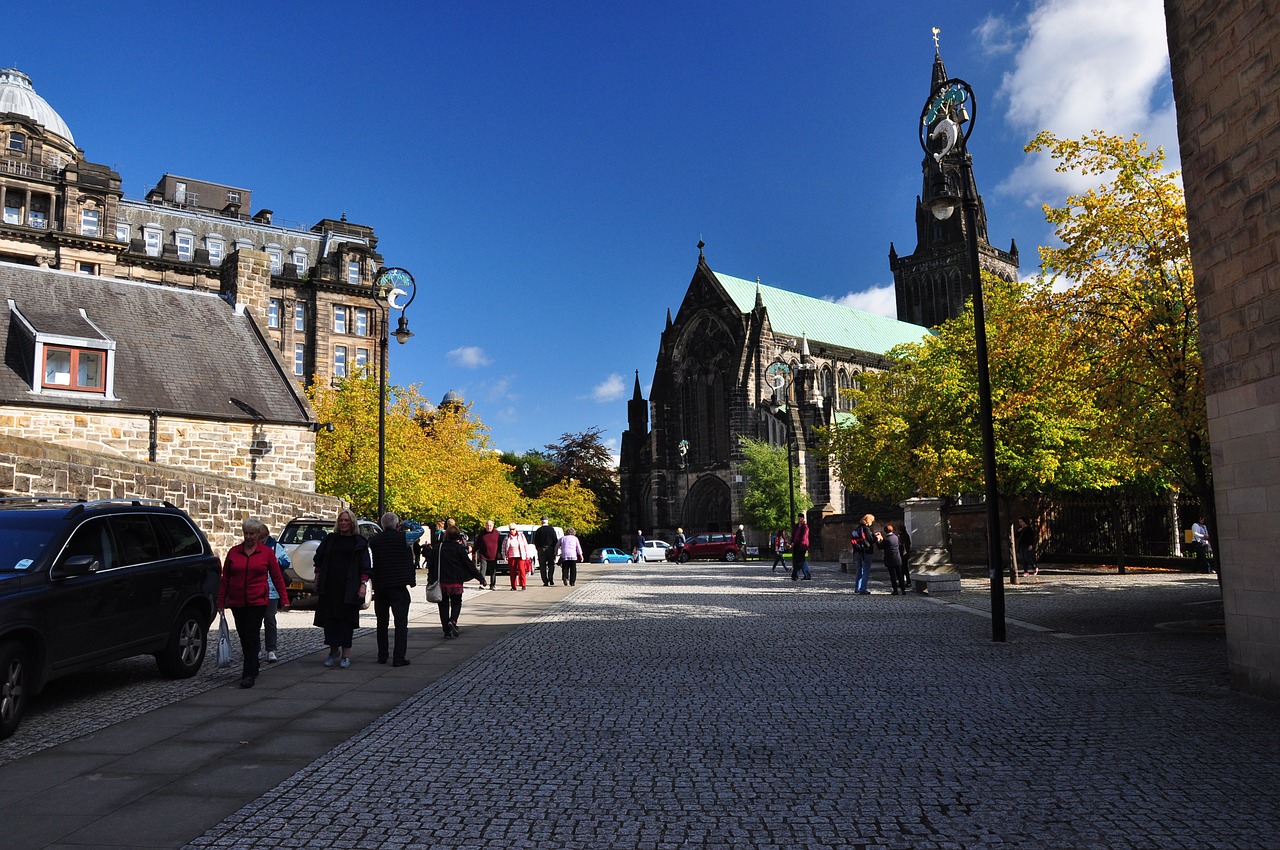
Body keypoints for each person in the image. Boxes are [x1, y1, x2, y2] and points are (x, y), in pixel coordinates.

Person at [218, 517, 290, 688]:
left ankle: (248, 673)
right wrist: (221, 601)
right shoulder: (234, 552)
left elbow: (277, 577)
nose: (248, 537)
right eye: (246, 533)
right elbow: (226, 578)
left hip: (258, 600)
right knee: (244, 635)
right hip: (237, 601)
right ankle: (253, 664)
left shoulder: (266, 553)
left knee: (251, 633)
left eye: (251, 534)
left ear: (258, 535)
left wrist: (284, 599)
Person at [312, 508, 371, 668]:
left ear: (352, 523)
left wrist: (363, 584)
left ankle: (346, 654)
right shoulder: (330, 539)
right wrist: (317, 577)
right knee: (330, 621)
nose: (343, 523)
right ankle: (333, 651)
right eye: (341, 521)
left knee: (346, 622)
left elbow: (365, 566)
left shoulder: (359, 541)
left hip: (349, 587)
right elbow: (319, 559)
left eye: (346, 521)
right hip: (330, 586)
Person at [368, 512, 416, 666]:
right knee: (401, 624)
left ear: (382, 525)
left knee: (382, 623)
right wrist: (407, 523)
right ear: (397, 525)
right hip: (399, 586)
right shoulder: (404, 538)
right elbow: (419, 530)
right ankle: (398, 657)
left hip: (381, 586)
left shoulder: (374, 540)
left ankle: (382, 655)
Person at [428, 525, 488, 638]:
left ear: (446, 535)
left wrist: (430, 579)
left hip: (441, 581)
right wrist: (480, 578)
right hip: (455, 581)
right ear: (457, 536)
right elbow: (469, 565)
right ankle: (453, 621)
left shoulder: (438, 547)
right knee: (456, 603)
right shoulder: (459, 549)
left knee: (443, 605)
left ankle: (446, 630)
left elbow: (431, 564)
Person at [261, 524, 290, 664]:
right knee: (253, 622)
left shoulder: (275, 547)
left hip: (271, 590)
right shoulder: (249, 547)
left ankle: (271, 649)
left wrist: (278, 561)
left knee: (269, 619)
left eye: (261, 538)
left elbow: (286, 562)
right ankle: (254, 649)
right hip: (255, 589)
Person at [473, 519, 502, 589]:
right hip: (483, 555)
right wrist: (474, 552)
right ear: (485, 526)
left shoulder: (497, 533)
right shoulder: (482, 533)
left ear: (493, 525)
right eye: (487, 525)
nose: (489, 527)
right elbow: (477, 544)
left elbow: (500, 544)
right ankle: (482, 583)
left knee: (493, 571)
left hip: (493, 555)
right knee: (483, 569)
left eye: (490, 525)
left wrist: (500, 552)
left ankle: (492, 585)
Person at [850, 513, 876, 594]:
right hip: (866, 551)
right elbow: (871, 540)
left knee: (859, 570)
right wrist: (876, 537)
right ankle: (863, 588)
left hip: (857, 551)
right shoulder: (866, 529)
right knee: (866, 570)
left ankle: (857, 587)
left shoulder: (857, 528)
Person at [504, 523, 533, 590]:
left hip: (521, 555)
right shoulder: (507, 537)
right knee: (512, 571)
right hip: (511, 556)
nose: (512, 531)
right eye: (510, 529)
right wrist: (504, 555)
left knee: (521, 570)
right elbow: (504, 546)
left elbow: (525, 545)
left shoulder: (521, 536)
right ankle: (513, 586)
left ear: (516, 529)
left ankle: (523, 585)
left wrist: (527, 555)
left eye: (513, 529)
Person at [881, 523, 908, 595]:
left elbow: (880, 547)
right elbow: (900, 547)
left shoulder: (886, 539)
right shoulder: (896, 537)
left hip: (890, 559)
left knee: (892, 575)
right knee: (899, 574)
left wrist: (879, 540)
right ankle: (903, 590)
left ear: (885, 531)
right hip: (897, 558)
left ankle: (895, 590)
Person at [533, 516, 559, 586]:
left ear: (541, 521)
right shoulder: (552, 530)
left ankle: (545, 581)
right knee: (551, 565)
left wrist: (538, 548)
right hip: (550, 549)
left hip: (541, 549)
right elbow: (555, 540)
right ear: (548, 521)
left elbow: (535, 541)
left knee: (542, 566)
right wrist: (555, 550)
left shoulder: (538, 530)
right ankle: (550, 578)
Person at [790, 513, 811, 581]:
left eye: (801, 518)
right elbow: (793, 535)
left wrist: (796, 542)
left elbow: (803, 537)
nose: (799, 519)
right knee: (801, 561)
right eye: (799, 518)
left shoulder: (805, 527)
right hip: (796, 546)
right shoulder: (796, 526)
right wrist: (792, 542)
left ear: (803, 518)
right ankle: (807, 575)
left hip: (802, 546)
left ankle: (795, 576)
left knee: (798, 561)